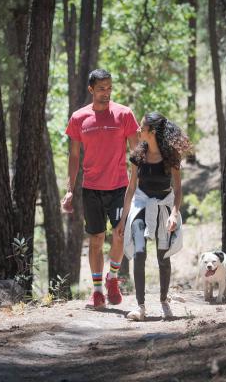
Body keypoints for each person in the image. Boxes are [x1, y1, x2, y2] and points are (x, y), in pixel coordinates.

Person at [62, 69, 139, 309]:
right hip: (91, 188)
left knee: (119, 235)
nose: (106, 93)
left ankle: (113, 279)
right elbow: (74, 156)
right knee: (95, 239)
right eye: (101, 88)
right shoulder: (79, 118)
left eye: (109, 88)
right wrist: (69, 189)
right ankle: (97, 291)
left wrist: (139, 185)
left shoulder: (124, 114)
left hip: (119, 187)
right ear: (91, 89)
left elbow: (137, 153)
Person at [117, 112, 192, 321]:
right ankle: (140, 307)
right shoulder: (138, 155)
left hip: (165, 206)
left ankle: (164, 300)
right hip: (141, 204)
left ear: (152, 132)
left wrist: (174, 214)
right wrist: (123, 220)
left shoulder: (171, 156)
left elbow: (177, 189)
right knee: (139, 252)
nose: (138, 131)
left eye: (142, 127)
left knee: (163, 256)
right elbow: (131, 189)